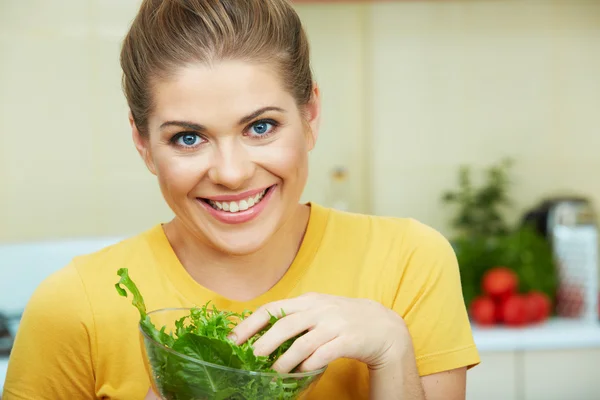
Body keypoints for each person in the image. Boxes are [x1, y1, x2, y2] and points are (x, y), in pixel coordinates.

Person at [3, 0, 480, 399]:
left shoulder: (408, 262)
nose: (231, 174)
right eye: (188, 138)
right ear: (143, 142)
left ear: (310, 115)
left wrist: (391, 350)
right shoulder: (72, 307)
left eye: (261, 127)